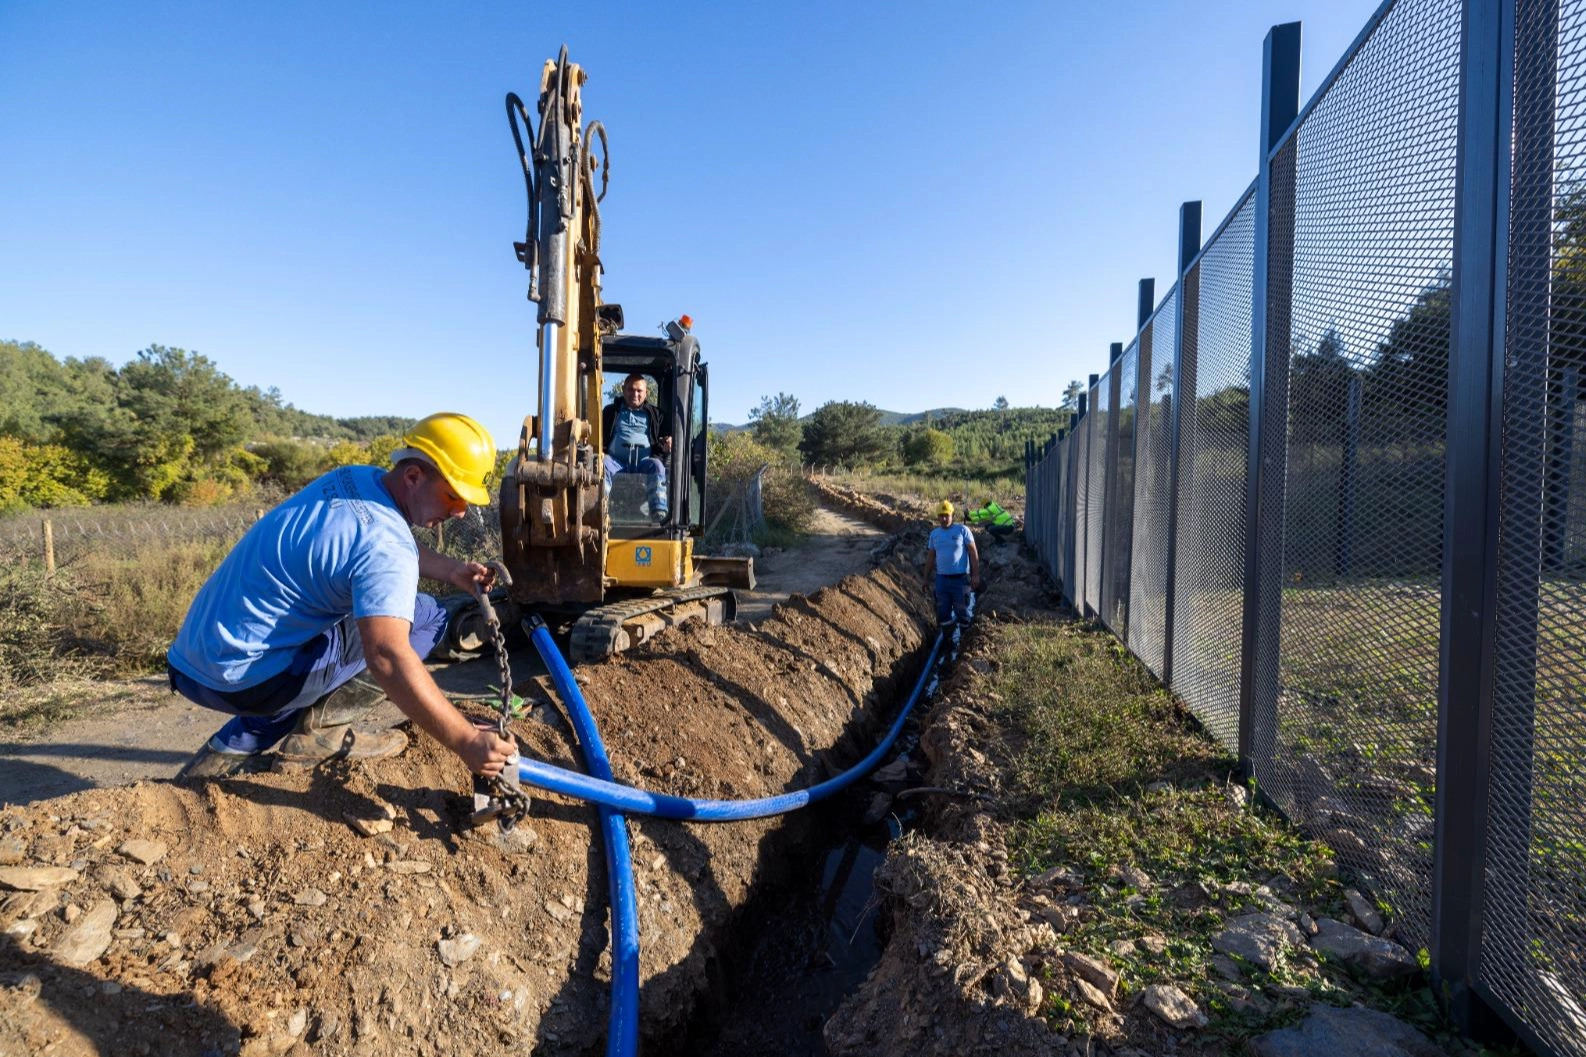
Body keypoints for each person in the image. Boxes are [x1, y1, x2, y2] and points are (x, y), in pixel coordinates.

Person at [167, 412, 518, 780]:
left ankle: (226, 750)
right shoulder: (386, 546)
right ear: (414, 476)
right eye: (453, 495)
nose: (460, 512)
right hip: (244, 682)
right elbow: (387, 657)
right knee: (425, 617)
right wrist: (465, 740)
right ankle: (323, 733)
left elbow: (373, 545)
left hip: (195, 661)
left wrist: (450, 570)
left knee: (351, 625)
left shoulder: (355, 478)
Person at [601, 373, 671, 519]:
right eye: (631, 390)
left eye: (639, 391)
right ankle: (599, 508)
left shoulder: (656, 415)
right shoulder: (610, 412)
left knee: (657, 465)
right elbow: (599, 436)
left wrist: (668, 441)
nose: (635, 394)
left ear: (646, 393)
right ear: (623, 390)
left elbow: (667, 437)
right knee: (602, 464)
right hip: (616, 462)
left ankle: (658, 511)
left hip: (643, 463)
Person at [923, 500, 981, 629]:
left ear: (952, 515)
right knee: (943, 614)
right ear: (937, 516)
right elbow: (930, 557)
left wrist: (975, 574)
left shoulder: (963, 530)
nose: (944, 519)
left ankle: (964, 642)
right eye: (941, 515)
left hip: (960, 580)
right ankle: (948, 642)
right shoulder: (934, 534)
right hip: (941, 580)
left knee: (963, 612)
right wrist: (925, 578)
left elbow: (973, 552)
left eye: (946, 515)